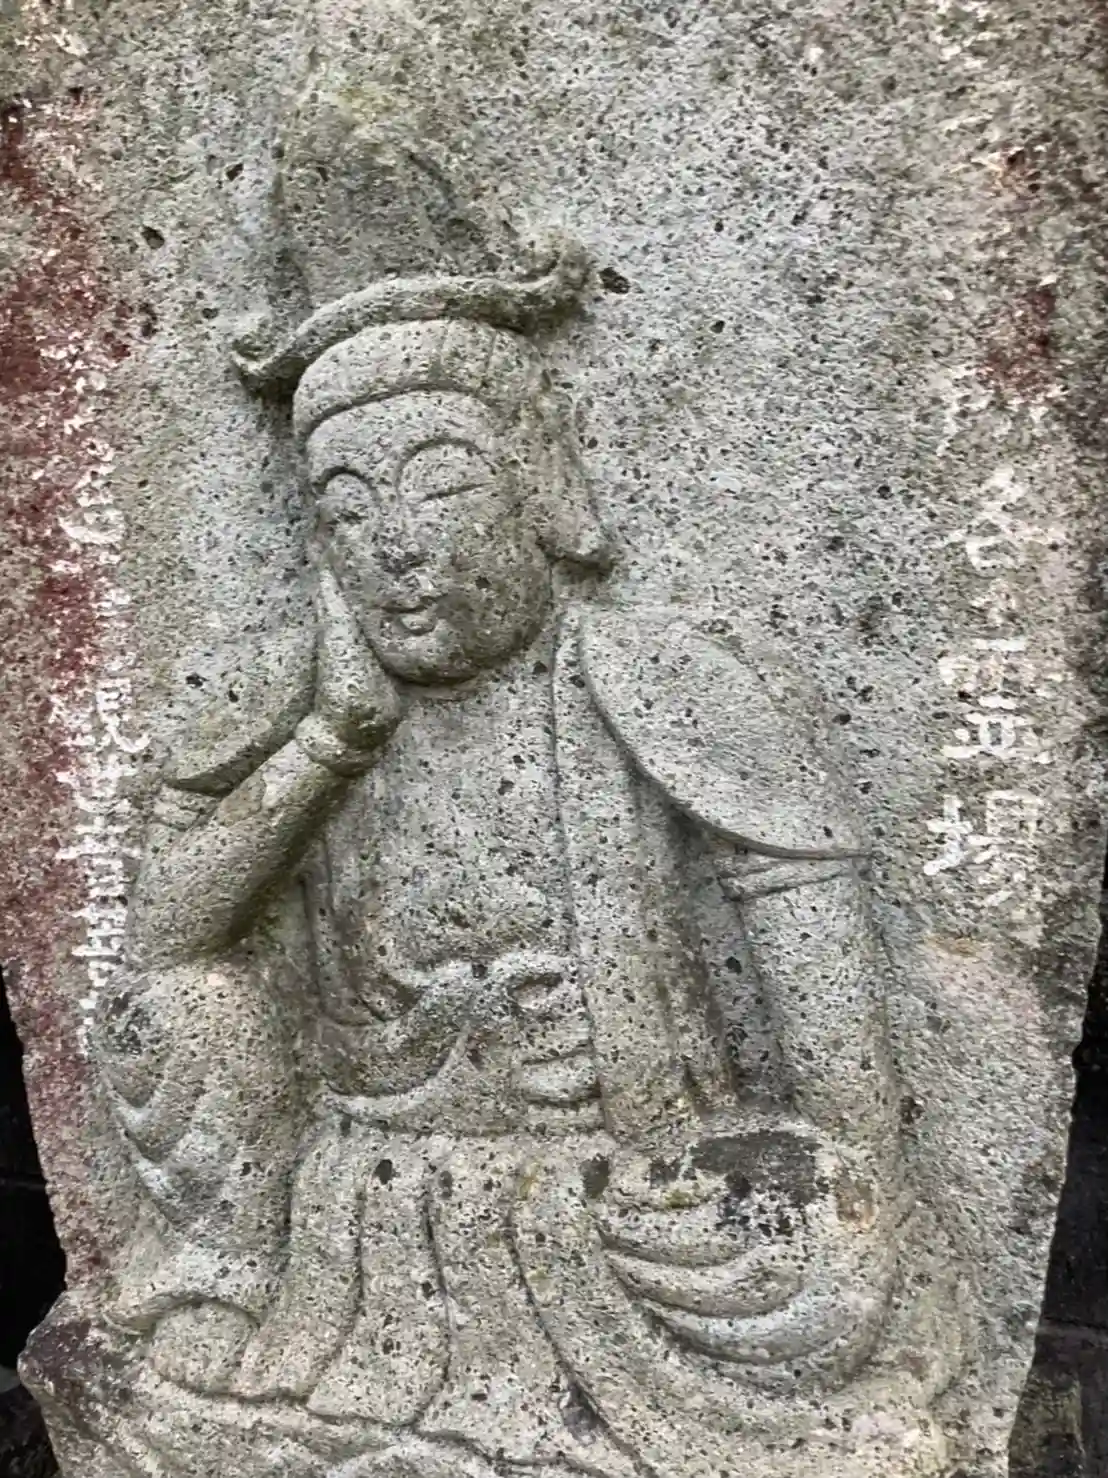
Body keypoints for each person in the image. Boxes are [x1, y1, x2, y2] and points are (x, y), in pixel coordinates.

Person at [87, 245, 934, 1478]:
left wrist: (849, 1196)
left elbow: (824, 1011)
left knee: (806, 1258)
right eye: (345, 507)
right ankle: (236, 1283)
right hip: (345, 1210)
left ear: (540, 487)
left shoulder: (664, 676)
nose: (392, 542)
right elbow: (161, 944)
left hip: (634, 1206)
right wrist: (331, 740)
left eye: (440, 484)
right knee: (172, 1012)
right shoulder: (294, 701)